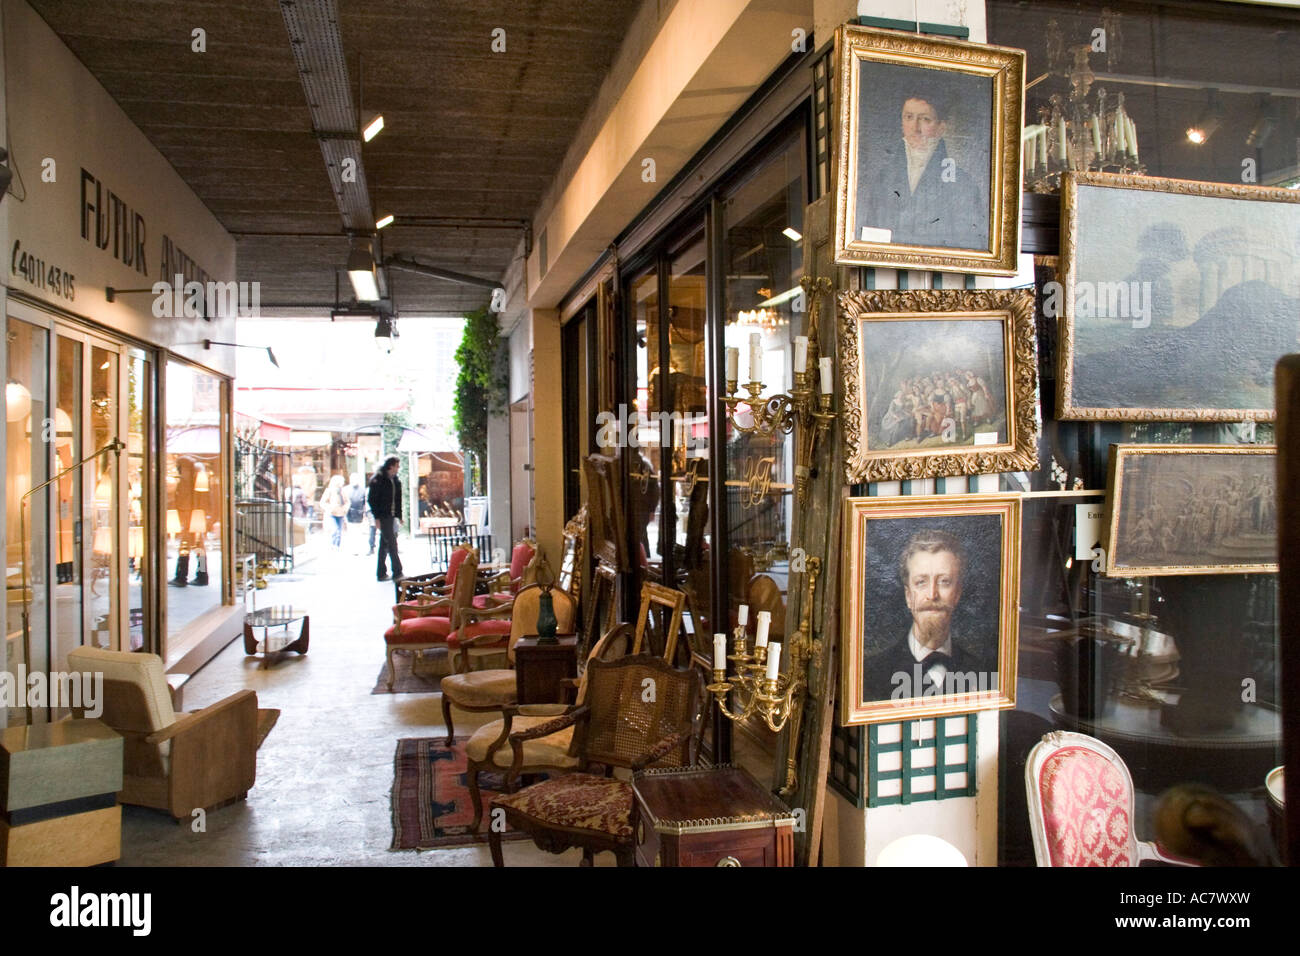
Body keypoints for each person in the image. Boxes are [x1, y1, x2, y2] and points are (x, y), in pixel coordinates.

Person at [863, 528, 996, 701]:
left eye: (944, 582)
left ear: (957, 594)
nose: (932, 594)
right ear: (908, 596)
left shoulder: (984, 672)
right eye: (921, 582)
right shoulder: (871, 674)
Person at [857, 93, 986, 251]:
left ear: (941, 128)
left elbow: (969, 244)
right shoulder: (884, 180)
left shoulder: (962, 184)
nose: (915, 128)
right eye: (909, 117)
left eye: (925, 119)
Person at [367, 457, 404, 581]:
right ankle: (397, 571)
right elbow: (372, 499)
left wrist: (399, 515)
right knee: (392, 543)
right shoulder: (379, 480)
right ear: (391, 466)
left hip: (390, 515)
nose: (398, 468)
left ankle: (381, 573)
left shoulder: (395, 481)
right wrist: (376, 517)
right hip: (383, 515)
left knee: (384, 544)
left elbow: (397, 499)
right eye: (396, 466)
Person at [319, 474, 348, 549]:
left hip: (340, 513)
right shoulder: (329, 491)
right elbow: (322, 502)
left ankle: (337, 545)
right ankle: (333, 545)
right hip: (331, 513)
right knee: (335, 530)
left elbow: (347, 502)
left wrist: (345, 508)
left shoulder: (343, 491)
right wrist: (329, 508)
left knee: (339, 531)